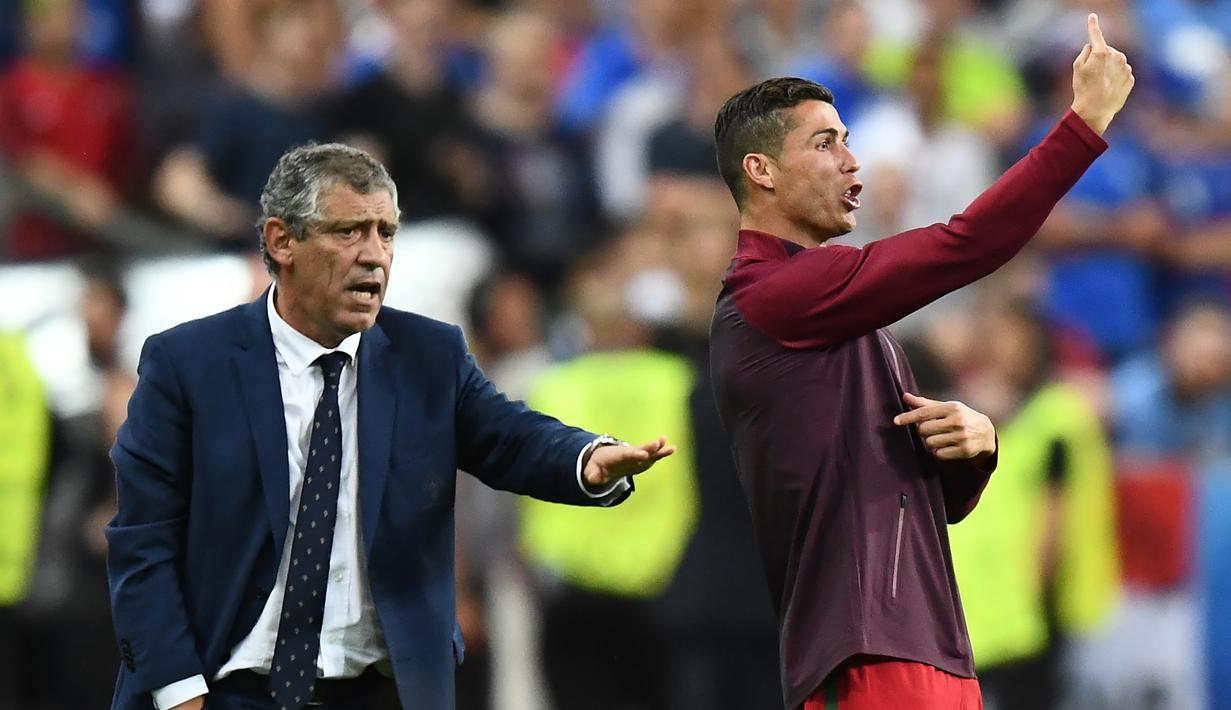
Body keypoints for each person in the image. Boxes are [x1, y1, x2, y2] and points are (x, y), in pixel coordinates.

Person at [106, 143, 675, 710]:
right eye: (349, 232)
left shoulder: (429, 354)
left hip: (383, 693)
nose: (374, 255)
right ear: (282, 242)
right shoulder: (187, 364)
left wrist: (585, 459)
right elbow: (142, 546)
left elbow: (510, 436)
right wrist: (179, 694)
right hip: (231, 692)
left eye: (386, 232)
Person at [707, 13, 1133, 710]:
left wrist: (973, 446)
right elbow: (965, 244)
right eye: (825, 144)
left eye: (848, 140)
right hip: (870, 654)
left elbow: (925, 504)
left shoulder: (844, 321)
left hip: (922, 644)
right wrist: (1082, 123)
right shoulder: (773, 295)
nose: (852, 161)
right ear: (760, 171)